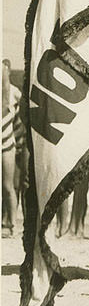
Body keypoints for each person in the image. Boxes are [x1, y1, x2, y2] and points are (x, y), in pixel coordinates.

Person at [2, 59, 18, 236]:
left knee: (8, 186)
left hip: (7, 143)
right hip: (7, 140)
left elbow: (23, 116)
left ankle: (11, 223)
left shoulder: (13, 92)